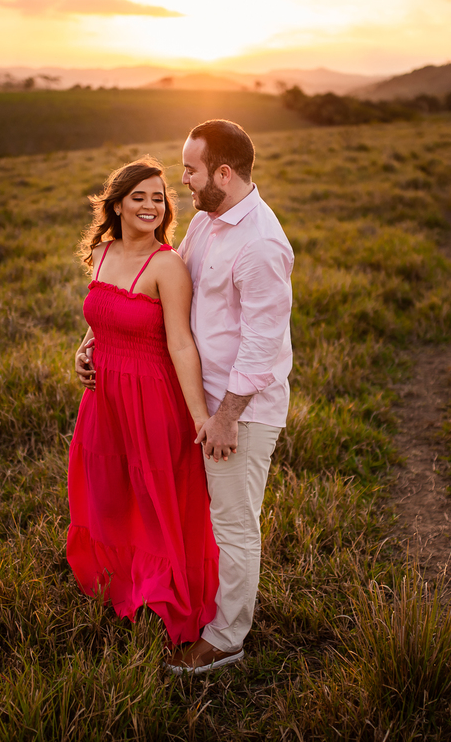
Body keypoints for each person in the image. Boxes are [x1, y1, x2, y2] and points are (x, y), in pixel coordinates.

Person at [79, 120, 294, 674]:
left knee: (233, 524)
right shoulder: (206, 221)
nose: (183, 183)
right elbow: (153, 295)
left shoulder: (262, 244)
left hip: (237, 411)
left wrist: (224, 417)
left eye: (191, 171)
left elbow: (262, 345)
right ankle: (186, 597)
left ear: (222, 173)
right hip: (191, 400)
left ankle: (226, 638)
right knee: (193, 511)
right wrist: (97, 339)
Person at [66, 156, 219, 647]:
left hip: (151, 397)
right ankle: (120, 580)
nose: (151, 205)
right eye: (139, 197)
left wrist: (201, 417)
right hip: (104, 398)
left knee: (153, 497)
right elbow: (102, 314)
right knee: (109, 491)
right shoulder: (102, 253)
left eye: (159, 197)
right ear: (116, 205)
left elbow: (181, 344)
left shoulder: (167, 265)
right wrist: (84, 349)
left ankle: (161, 591)